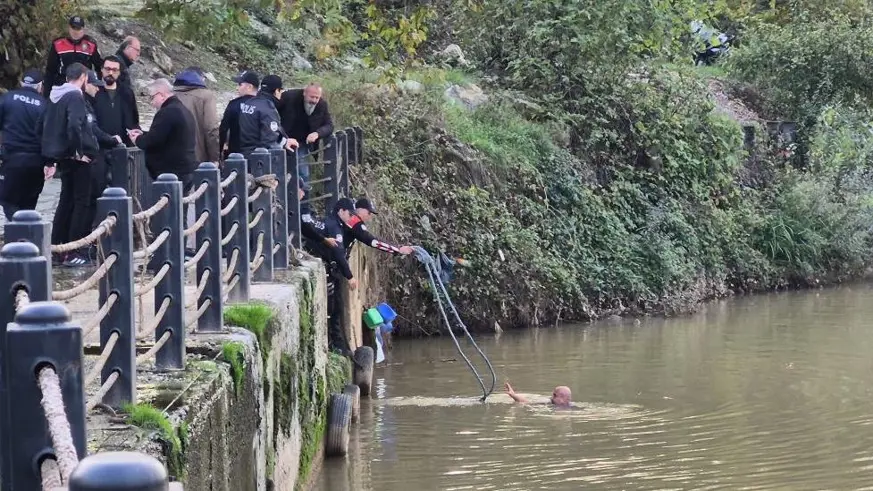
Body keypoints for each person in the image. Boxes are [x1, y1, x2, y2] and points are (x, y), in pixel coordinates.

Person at [42, 64, 106, 267]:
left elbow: (45, 126)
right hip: (77, 158)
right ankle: (72, 250)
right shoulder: (75, 96)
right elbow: (74, 125)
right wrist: (78, 152)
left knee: (66, 201)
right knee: (81, 202)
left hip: (62, 156)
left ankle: (56, 247)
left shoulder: (55, 96)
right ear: (84, 77)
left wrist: (51, 159)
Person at [303, 197, 359, 356]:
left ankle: (337, 344)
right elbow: (338, 253)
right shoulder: (334, 226)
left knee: (334, 306)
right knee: (335, 308)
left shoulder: (330, 222)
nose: (351, 218)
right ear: (341, 211)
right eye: (350, 214)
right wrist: (350, 276)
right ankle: (337, 346)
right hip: (327, 269)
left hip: (325, 266)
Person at [0, 70, 53, 221]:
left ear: (22, 82)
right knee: (29, 203)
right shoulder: (44, 105)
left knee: (8, 201)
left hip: (11, 159)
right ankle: (25, 229)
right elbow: (49, 135)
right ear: (40, 86)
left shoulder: (7, 99)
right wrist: (50, 162)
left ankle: (17, 228)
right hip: (36, 162)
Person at [130, 79, 197, 191]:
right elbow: (166, 135)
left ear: (161, 95)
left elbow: (152, 140)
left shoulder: (167, 112)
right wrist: (143, 134)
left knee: (170, 201)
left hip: (171, 174)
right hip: (186, 169)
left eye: (152, 97)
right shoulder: (183, 110)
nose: (151, 102)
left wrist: (137, 139)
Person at [278, 82, 334, 181]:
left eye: (317, 98)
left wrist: (317, 133)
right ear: (304, 93)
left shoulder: (321, 105)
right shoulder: (288, 97)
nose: (314, 100)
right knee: (281, 171)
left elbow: (329, 125)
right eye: (312, 97)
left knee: (303, 173)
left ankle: (304, 191)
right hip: (283, 139)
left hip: (302, 143)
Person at [236, 72, 297, 155]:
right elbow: (270, 138)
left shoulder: (248, 103)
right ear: (277, 91)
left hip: (242, 154)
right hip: (259, 156)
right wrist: (285, 142)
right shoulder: (268, 108)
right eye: (281, 91)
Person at [43, 16, 102, 97]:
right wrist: (46, 94)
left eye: (78, 29)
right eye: (73, 28)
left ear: (83, 29)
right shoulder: (58, 43)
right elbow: (50, 70)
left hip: (83, 85)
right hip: (62, 84)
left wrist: (97, 86)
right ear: (69, 28)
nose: (76, 31)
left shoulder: (91, 44)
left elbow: (99, 67)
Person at [174, 67, 220, 164]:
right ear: (201, 78)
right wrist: (215, 157)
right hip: (197, 158)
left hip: (172, 159)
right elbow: (211, 128)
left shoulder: (169, 94)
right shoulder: (206, 95)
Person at [342, 197, 413, 256]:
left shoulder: (349, 214)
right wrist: (398, 249)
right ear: (360, 209)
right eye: (369, 213)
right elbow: (373, 242)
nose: (369, 216)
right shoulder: (354, 221)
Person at [219, 70, 258, 158]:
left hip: (235, 156)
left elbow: (223, 130)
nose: (237, 88)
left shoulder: (234, 104)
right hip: (259, 157)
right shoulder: (263, 105)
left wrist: (219, 151)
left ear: (249, 87)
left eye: (240, 85)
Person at [504, 382, 572, 408]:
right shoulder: (546, 402)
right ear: (554, 396)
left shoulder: (570, 405)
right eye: (562, 397)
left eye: (568, 398)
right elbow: (526, 402)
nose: (566, 400)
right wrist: (513, 395)